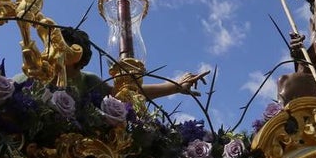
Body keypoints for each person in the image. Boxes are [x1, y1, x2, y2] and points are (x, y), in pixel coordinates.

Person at [59, 27, 208, 100]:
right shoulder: (42, 72)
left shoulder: (89, 82)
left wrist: (175, 86)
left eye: (61, 49)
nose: (52, 54)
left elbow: (126, 94)